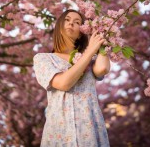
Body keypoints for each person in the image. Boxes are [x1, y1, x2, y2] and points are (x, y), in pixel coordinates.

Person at [33, 9, 111, 146]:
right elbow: (64, 83)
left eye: (77, 22)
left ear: (81, 33)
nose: (71, 24)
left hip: (89, 128)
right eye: (67, 20)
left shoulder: (91, 58)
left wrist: (102, 41)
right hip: (60, 131)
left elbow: (102, 69)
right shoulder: (43, 59)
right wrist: (90, 50)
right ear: (59, 26)